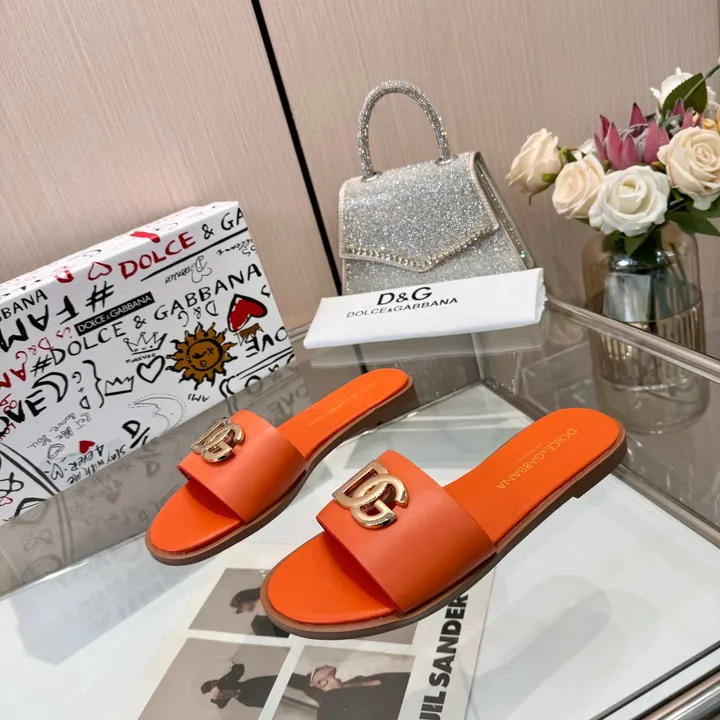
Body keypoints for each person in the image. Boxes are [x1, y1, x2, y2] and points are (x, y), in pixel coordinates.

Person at [307, 665, 410, 719]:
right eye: (318, 670)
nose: (323, 666)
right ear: (315, 683)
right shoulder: (327, 710)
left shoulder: (355, 681)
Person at [201, 664, 309, 709]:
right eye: (223, 696)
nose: (225, 695)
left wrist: (233, 668)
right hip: (250, 694)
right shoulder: (244, 700)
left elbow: (239, 669)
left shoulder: (225, 684)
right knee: (283, 701)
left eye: (224, 692)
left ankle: (306, 683)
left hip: (252, 688)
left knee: (284, 680)